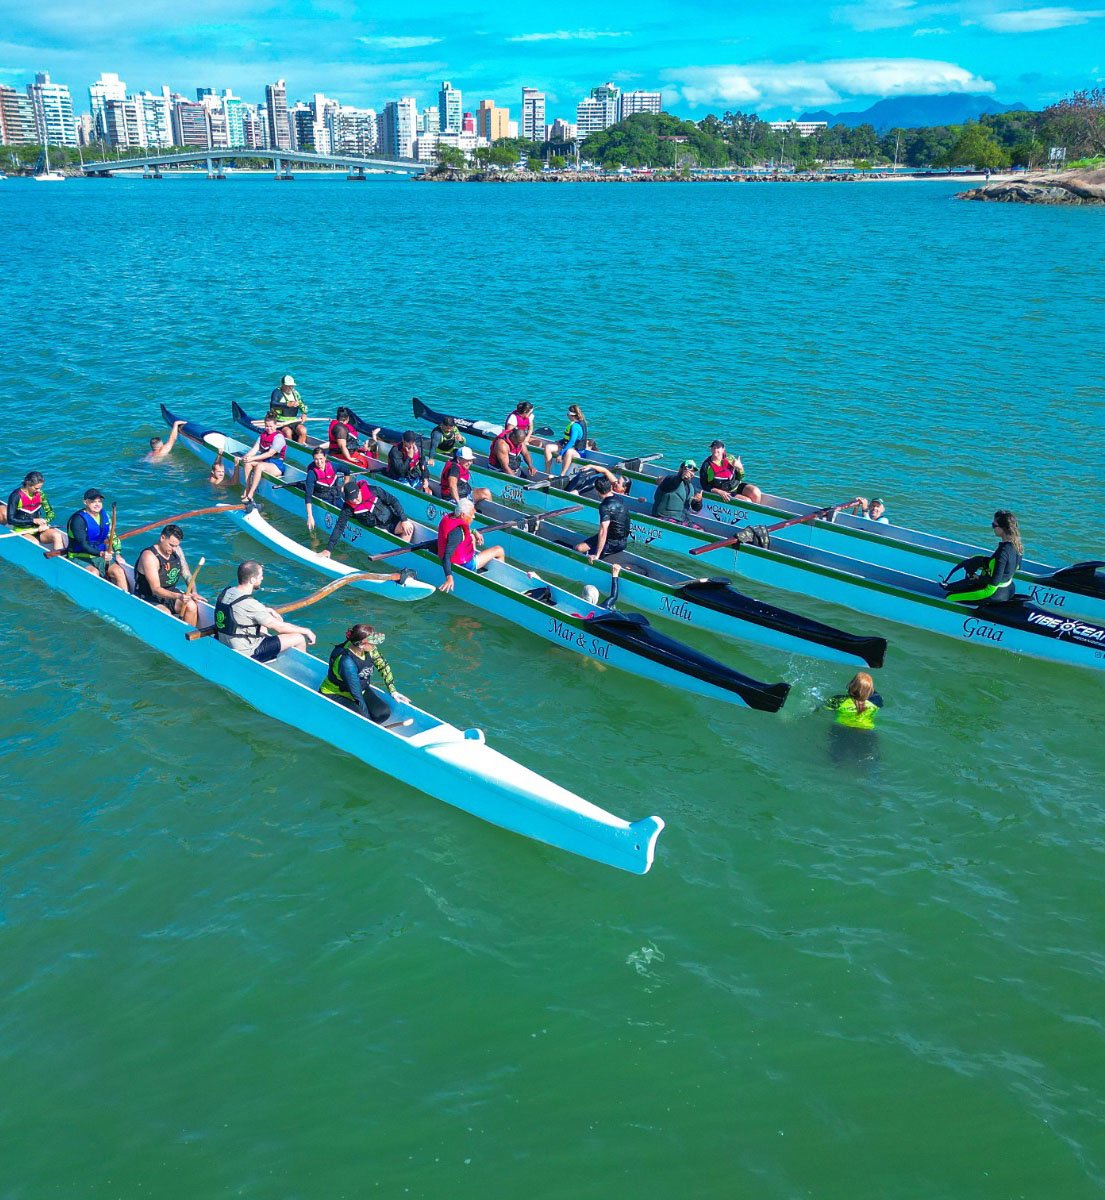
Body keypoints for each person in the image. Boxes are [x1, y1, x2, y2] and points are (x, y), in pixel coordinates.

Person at [214, 560, 315, 660]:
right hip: (246, 651)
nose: (262, 578)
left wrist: (266, 610)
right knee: (299, 638)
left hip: (225, 640)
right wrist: (305, 631)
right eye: (260, 576)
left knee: (262, 624)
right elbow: (280, 628)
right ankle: (299, 669)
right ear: (252, 580)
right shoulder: (251, 605)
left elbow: (237, 609)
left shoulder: (227, 592)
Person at [319, 622, 410, 726]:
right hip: (335, 693)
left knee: (383, 713)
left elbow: (383, 665)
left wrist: (393, 691)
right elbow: (356, 693)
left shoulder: (370, 649)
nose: (374, 644)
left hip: (360, 689)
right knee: (361, 719)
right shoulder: (346, 662)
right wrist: (368, 723)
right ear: (361, 645)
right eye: (372, 642)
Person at [942, 510, 1023, 604]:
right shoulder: (1017, 545)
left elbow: (994, 582)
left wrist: (976, 576)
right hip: (1009, 588)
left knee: (950, 597)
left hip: (992, 591)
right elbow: (1017, 567)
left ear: (1003, 528)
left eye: (994, 525)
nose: (993, 528)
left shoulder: (1003, 552)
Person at [320, 479, 415, 557]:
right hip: (377, 528)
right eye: (351, 499)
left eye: (356, 497)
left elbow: (393, 501)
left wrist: (404, 520)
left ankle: (403, 555)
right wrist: (328, 549)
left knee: (409, 527)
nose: (355, 500)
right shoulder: (348, 508)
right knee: (385, 536)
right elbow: (339, 526)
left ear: (359, 491)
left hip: (391, 521)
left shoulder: (374, 490)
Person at [134, 524, 201, 626]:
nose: (174, 549)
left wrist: (194, 592)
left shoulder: (177, 550)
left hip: (170, 592)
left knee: (191, 606)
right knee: (166, 614)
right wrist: (178, 596)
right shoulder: (149, 556)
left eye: (176, 545)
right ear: (162, 538)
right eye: (171, 545)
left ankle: (188, 638)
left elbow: (186, 574)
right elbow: (155, 589)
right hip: (149, 596)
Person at [436, 499, 506, 593]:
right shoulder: (457, 533)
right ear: (463, 515)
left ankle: (474, 553)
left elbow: (462, 531)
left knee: (472, 537)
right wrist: (449, 577)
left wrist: (474, 531)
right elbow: (446, 556)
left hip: (458, 557)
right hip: (467, 564)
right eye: (472, 514)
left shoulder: (451, 518)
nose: (473, 517)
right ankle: (499, 582)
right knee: (499, 550)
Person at [65, 488, 127, 589]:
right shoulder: (78, 520)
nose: (97, 504)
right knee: (94, 572)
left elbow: (112, 535)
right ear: (85, 502)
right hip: (79, 556)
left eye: (99, 501)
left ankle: (126, 600)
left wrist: (118, 553)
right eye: (93, 501)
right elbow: (83, 544)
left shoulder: (105, 516)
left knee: (119, 571)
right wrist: (102, 554)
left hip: (99, 556)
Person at [3, 471, 65, 549]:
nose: (39, 490)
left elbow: (51, 513)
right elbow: (11, 520)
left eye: (40, 488)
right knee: (34, 543)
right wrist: (33, 521)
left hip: (38, 530)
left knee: (57, 535)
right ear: (28, 484)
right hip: (22, 530)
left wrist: (45, 522)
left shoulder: (41, 495)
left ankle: (58, 557)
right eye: (36, 488)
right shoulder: (15, 496)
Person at [574, 478, 631, 561]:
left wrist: (597, 555)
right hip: (619, 539)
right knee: (578, 548)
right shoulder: (619, 498)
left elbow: (603, 530)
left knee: (588, 558)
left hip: (614, 543)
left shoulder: (604, 507)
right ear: (610, 488)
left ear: (597, 491)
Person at [241, 412, 287, 502]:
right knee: (247, 462)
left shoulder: (279, 438)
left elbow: (270, 453)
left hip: (277, 466)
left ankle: (250, 495)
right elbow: (254, 450)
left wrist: (253, 458)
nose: (269, 429)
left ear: (276, 425)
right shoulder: (262, 436)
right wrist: (246, 457)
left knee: (260, 466)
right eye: (266, 426)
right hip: (265, 463)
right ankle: (247, 488)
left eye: (271, 426)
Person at [303, 446, 343, 533]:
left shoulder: (333, 466)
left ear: (325, 457)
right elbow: (308, 496)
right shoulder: (311, 474)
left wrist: (345, 484)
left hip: (335, 495)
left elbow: (346, 470)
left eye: (321, 458)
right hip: (322, 497)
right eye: (316, 459)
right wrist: (310, 516)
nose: (319, 462)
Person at [543, 405, 588, 476]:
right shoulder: (574, 424)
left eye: (568, 414)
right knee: (548, 447)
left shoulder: (575, 426)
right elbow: (569, 438)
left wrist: (560, 454)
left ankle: (562, 475)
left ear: (572, 415)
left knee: (569, 451)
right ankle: (547, 473)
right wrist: (560, 441)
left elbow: (572, 442)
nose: (567, 416)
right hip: (568, 447)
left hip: (578, 453)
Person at [268, 374, 308, 443]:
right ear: (282, 385)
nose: (290, 388)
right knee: (287, 432)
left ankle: (299, 447)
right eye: (288, 386)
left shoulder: (295, 394)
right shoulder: (277, 392)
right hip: (280, 421)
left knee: (303, 430)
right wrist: (286, 405)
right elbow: (273, 404)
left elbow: (302, 405)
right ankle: (289, 448)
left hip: (293, 421)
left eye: (292, 386)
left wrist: (304, 414)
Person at [563, 465, 632, 497]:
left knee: (597, 480)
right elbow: (605, 471)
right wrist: (591, 466)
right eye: (617, 481)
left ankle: (577, 492)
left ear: (624, 488)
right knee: (590, 478)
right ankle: (572, 492)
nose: (615, 482)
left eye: (618, 483)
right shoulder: (615, 483)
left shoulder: (624, 497)